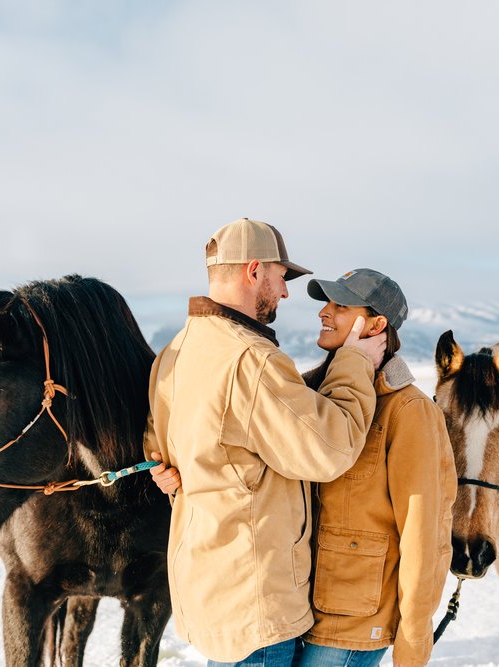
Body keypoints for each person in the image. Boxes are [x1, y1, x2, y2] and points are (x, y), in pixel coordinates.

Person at [154, 267, 457, 667]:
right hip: (299, 605)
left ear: (377, 324)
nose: (323, 312)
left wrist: (414, 637)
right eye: (326, 303)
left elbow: (425, 532)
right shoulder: (313, 395)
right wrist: (180, 472)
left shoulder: (408, 410)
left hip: (353, 619)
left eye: (341, 305)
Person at [144, 218, 387, 667]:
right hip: (255, 598)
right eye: (282, 277)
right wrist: (354, 362)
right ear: (254, 271)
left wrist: (170, 471)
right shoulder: (252, 361)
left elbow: (156, 446)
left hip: (207, 586)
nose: (286, 292)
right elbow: (329, 450)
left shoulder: (176, 351)